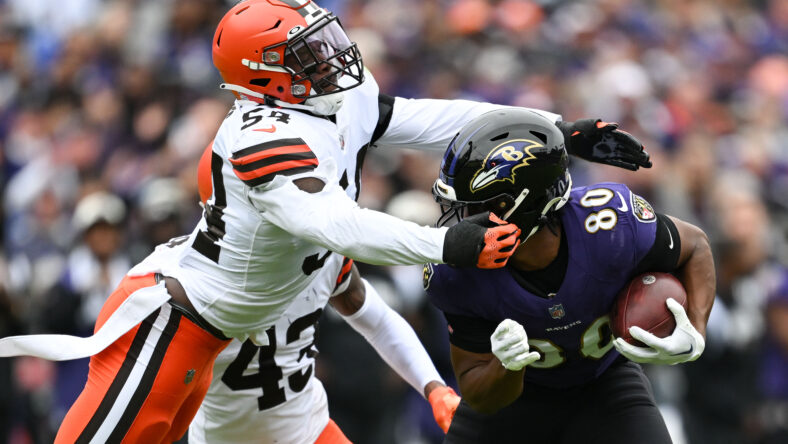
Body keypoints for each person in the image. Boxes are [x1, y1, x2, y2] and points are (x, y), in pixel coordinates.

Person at [0, 1, 650, 442]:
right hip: (173, 324)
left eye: (323, 43)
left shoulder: (332, 124)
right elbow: (337, 224)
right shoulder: (260, 141)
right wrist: (446, 243)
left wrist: (549, 131)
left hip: (269, 381)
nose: (334, 60)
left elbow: (427, 120)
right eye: (306, 56)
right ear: (264, 79)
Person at [425, 108, 715, 443]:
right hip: (513, 405)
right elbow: (478, 392)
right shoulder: (457, 271)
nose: (462, 222)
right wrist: (505, 366)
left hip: (605, 385)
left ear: (520, 204)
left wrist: (696, 328)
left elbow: (695, 246)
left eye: (473, 207)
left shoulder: (610, 226)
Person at [189, 258, 460, 443]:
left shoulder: (319, 253)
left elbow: (378, 320)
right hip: (227, 433)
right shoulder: (186, 273)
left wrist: (434, 387)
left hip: (307, 424)